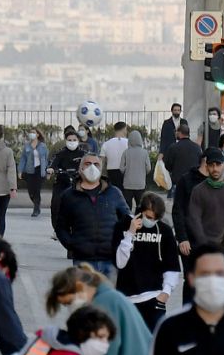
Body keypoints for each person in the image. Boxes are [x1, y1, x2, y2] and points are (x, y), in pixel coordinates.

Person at [51, 152, 132, 275]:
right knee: (83, 294)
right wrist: (73, 246)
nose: (92, 167)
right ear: (81, 168)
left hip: (110, 260)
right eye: (88, 164)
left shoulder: (114, 193)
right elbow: (61, 227)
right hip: (82, 261)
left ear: (101, 169)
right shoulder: (69, 195)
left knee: (108, 294)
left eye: (96, 164)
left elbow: (127, 220)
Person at [114, 192, 181, 328]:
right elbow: (120, 263)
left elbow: (172, 265)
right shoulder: (122, 226)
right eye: (149, 217)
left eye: (155, 218)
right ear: (141, 211)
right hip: (128, 298)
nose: (151, 221)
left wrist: (165, 293)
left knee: (156, 343)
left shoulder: (165, 231)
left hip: (154, 296)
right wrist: (130, 233)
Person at [186, 148, 224, 249]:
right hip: (207, 245)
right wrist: (203, 243)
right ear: (206, 167)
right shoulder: (198, 190)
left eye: (218, 165)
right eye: (211, 165)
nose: (215, 169)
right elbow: (194, 219)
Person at [18, 128, 49, 217]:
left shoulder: (43, 146)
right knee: (31, 190)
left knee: (37, 189)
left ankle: (36, 207)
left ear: (38, 134)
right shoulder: (27, 146)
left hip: (40, 170)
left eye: (33, 132)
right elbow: (23, 159)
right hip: (30, 170)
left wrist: (47, 171)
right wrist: (20, 170)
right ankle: (35, 202)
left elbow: (46, 159)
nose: (31, 134)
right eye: (30, 132)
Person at [121, 129, 150, 209]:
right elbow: (148, 168)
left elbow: (121, 169)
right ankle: (139, 221)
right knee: (140, 207)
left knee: (127, 207)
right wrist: (143, 173)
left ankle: (129, 221)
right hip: (140, 184)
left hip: (128, 184)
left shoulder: (126, 152)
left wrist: (128, 169)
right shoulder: (145, 152)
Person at [102, 121, 131, 187]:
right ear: (124, 129)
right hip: (126, 171)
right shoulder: (129, 143)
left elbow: (102, 161)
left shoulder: (106, 144)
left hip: (111, 171)